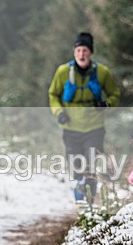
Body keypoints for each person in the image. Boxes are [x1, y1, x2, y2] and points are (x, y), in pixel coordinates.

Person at [48, 32, 120, 203]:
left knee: (90, 164)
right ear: (74, 52)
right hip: (70, 127)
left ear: (91, 53)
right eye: (78, 50)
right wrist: (59, 113)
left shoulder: (102, 72)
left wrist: (106, 104)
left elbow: (114, 94)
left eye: (85, 50)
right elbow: (53, 95)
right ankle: (81, 185)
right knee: (75, 164)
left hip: (94, 127)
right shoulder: (63, 72)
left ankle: (88, 200)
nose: (82, 54)